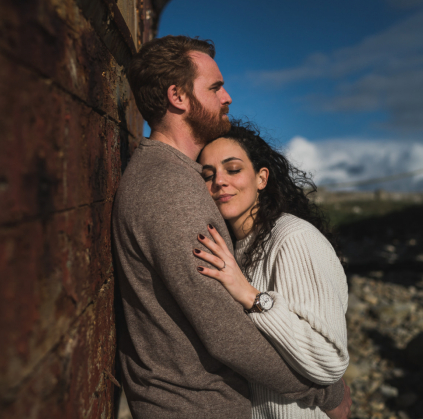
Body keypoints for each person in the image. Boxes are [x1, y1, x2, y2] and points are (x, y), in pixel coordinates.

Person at [112, 35, 351, 419]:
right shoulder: (172, 190)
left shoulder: (172, 178)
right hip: (194, 407)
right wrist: (324, 392)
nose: (228, 98)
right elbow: (226, 333)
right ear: (178, 96)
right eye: (216, 87)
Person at [194, 121, 349, 418]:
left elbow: (331, 361)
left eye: (233, 169)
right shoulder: (233, 245)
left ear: (261, 178)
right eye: (207, 175)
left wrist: (251, 296)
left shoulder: (293, 239)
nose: (220, 182)